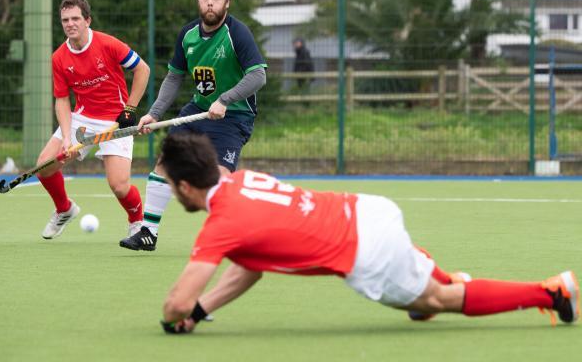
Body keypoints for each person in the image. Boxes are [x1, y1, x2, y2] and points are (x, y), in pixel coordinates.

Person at [155, 133, 579, 334]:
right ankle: (430, 282)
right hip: (366, 210)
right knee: (425, 289)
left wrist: (181, 313)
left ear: (187, 187)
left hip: (366, 252)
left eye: (172, 187)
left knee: (439, 299)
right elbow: (250, 266)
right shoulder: (243, 179)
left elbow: (173, 304)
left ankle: (552, 291)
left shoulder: (220, 226)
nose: (174, 194)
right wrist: (200, 311)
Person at [119, 0, 267, 251]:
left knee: (220, 177)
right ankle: (148, 232)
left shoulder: (237, 33)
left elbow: (258, 76)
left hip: (233, 116)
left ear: (227, 3)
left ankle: (236, 236)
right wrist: (154, 113)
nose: (210, 3)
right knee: (165, 162)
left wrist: (225, 99)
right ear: (198, 0)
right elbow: (175, 77)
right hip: (198, 109)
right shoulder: (188, 35)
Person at [36, 0, 150, 240]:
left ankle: (137, 224)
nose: (70, 24)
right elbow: (63, 100)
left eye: (76, 18)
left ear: (87, 20)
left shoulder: (107, 44)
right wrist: (67, 138)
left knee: (119, 185)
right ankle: (64, 209)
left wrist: (129, 110)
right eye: (65, 20)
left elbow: (143, 69)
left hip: (116, 118)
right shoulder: (59, 58)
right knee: (44, 166)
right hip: (83, 118)